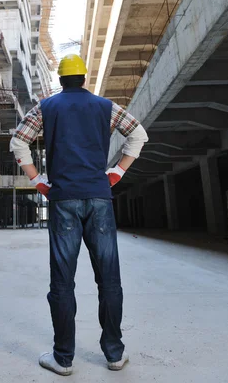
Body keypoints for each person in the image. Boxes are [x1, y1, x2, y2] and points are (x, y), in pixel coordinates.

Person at [10, 54, 148, 376]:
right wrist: (116, 173)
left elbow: (19, 143)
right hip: (99, 197)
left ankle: (63, 358)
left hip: (63, 200)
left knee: (62, 282)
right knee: (109, 280)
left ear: (60, 79)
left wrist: (37, 180)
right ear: (84, 78)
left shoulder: (46, 108)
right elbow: (138, 135)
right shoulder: (105, 107)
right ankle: (114, 354)